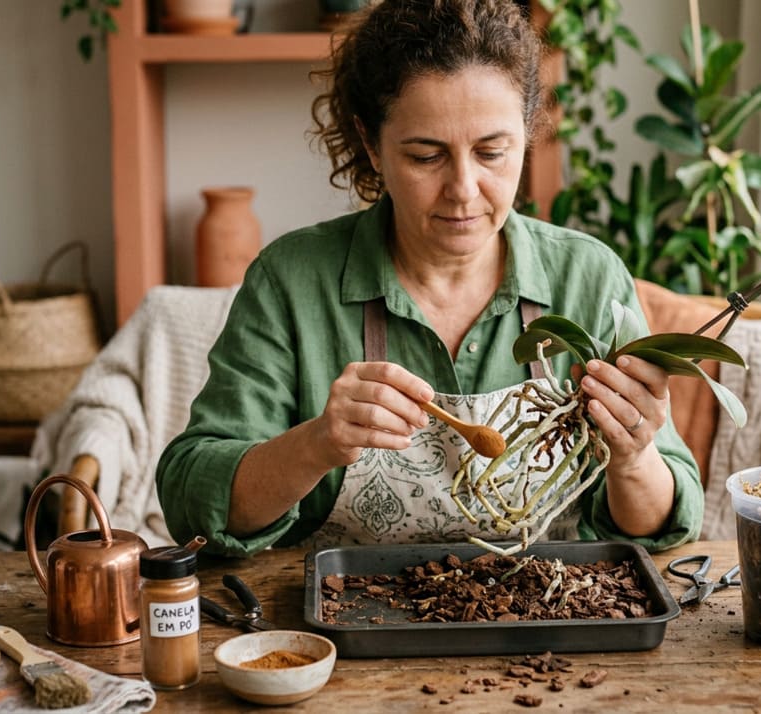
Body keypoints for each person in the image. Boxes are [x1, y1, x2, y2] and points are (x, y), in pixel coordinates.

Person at [156, 0, 703, 556]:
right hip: (341, 631)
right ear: (371, 146)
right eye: (425, 156)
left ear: (529, 133)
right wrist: (315, 445)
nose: (463, 188)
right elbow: (192, 500)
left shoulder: (588, 277)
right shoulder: (291, 281)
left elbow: (659, 523)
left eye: (491, 152)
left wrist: (634, 456)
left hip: (549, 620)